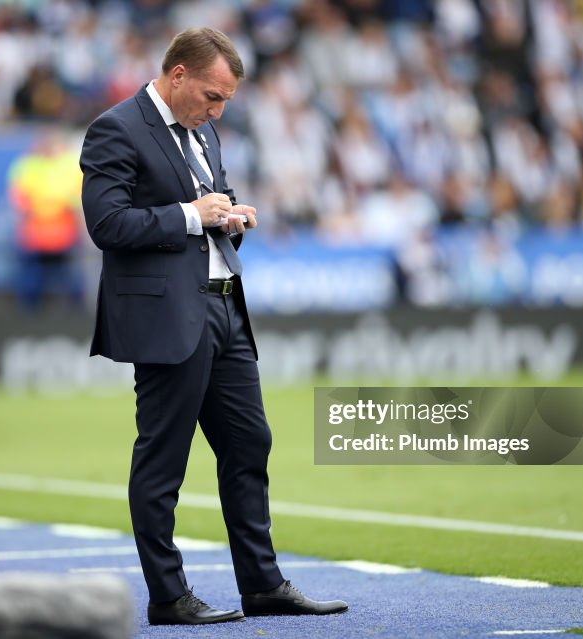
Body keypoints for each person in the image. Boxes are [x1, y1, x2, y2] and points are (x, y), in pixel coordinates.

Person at [79, 27, 348, 626]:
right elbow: (107, 224)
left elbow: (204, 214)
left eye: (224, 99)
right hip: (168, 316)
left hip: (225, 305)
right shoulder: (115, 129)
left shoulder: (203, 131)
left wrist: (227, 218)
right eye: (211, 94)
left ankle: (262, 585)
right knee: (163, 460)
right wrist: (190, 216)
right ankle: (169, 597)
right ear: (177, 75)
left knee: (250, 444)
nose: (217, 109)